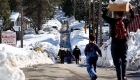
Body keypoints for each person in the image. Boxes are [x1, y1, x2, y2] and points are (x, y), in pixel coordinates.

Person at [102, 3, 134, 80]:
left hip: (115, 44)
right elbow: (133, 17)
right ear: (123, 15)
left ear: (116, 15)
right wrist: (130, 9)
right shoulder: (126, 21)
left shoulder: (113, 21)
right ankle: (124, 76)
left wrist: (107, 8)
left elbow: (103, 16)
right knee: (124, 60)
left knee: (116, 61)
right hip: (123, 43)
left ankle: (119, 77)